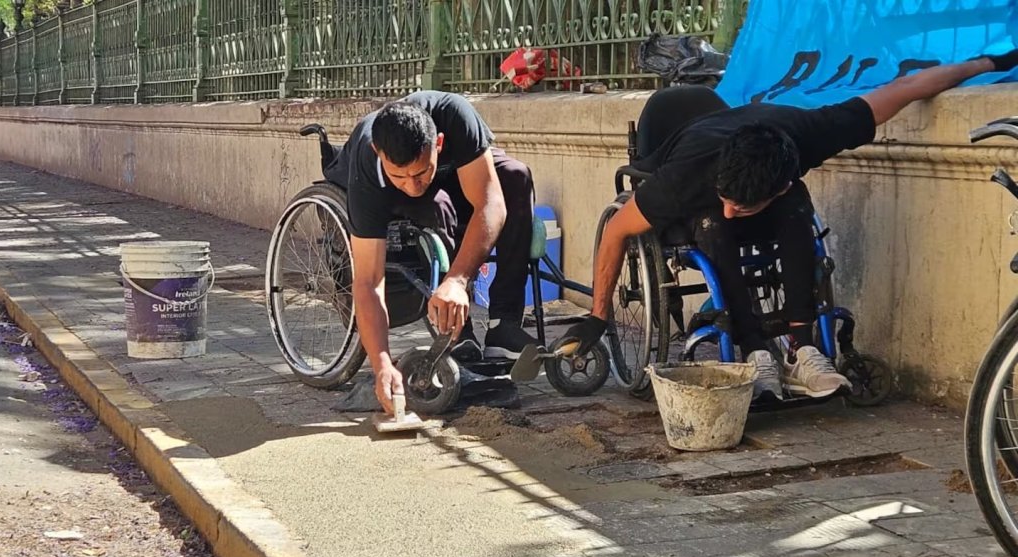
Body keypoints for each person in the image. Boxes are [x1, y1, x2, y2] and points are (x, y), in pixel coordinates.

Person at [559, 51, 1018, 400]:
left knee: (800, 213)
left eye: (743, 205)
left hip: (777, 192)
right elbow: (618, 230)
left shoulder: (812, 130)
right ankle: (756, 349)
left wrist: (993, 61)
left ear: (774, 187)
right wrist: (599, 317)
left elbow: (909, 88)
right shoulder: (685, 178)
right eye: (729, 199)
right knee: (714, 226)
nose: (731, 208)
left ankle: (802, 349)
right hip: (692, 207)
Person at [329, 90, 539, 414]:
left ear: (438, 144)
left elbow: (491, 204)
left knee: (515, 176)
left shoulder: (456, 115)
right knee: (438, 206)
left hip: (454, 170)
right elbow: (369, 281)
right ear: (378, 152)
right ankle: (457, 333)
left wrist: (456, 279)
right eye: (400, 175)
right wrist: (382, 362)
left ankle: (503, 324)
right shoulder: (367, 165)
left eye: (419, 172)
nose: (412, 183)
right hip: (392, 194)